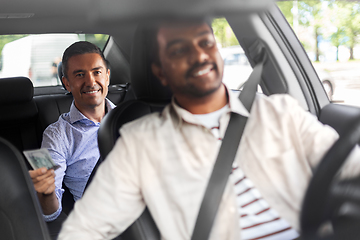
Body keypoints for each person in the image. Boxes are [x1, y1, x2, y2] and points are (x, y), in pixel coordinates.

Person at [58, 21, 360, 240]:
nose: (199, 55)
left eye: (206, 42)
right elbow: (85, 230)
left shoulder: (279, 111)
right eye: (178, 50)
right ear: (160, 71)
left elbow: (350, 170)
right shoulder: (138, 143)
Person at [29, 41, 115, 238]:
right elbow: (50, 213)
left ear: (107, 76)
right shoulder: (56, 135)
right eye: (79, 74)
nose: (91, 81)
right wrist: (46, 192)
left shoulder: (131, 118)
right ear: (67, 83)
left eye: (97, 72)